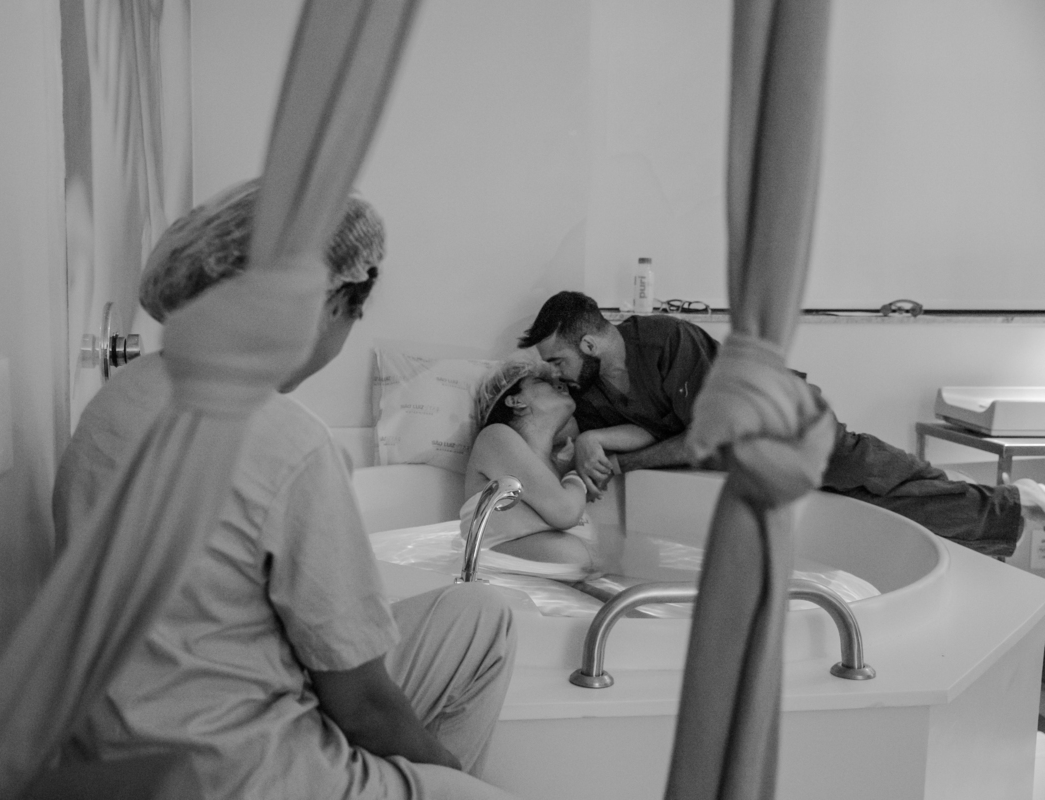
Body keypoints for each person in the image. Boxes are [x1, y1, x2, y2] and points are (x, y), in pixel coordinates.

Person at [53, 179, 519, 800]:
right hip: (243, 774)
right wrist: (446, 773)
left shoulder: (118, 400)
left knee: (480, 613)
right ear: (324, 306)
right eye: (353, 315)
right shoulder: (288, 443)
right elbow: (361, 706)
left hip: (125, 744)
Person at [519, 290, 1045, 559]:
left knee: (879, 476)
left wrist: (622, 459)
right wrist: (595, 439)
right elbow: (652, 427)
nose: (556, 373)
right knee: (881, 501)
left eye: (558, 360)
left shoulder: (665, 341)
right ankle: (1003, 508)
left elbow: (704, 434)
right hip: (745, 453)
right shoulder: (590, 387)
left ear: (589, 343)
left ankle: (1014, 505)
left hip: (785, 422)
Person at [463, 360, 599, 575]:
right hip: (498, 588)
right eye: (541, 381)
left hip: (558, 591)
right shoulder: (495, 437)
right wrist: (576, 474)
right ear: (515, 401)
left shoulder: (556, 472)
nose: (561, 385)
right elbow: (565, 512)